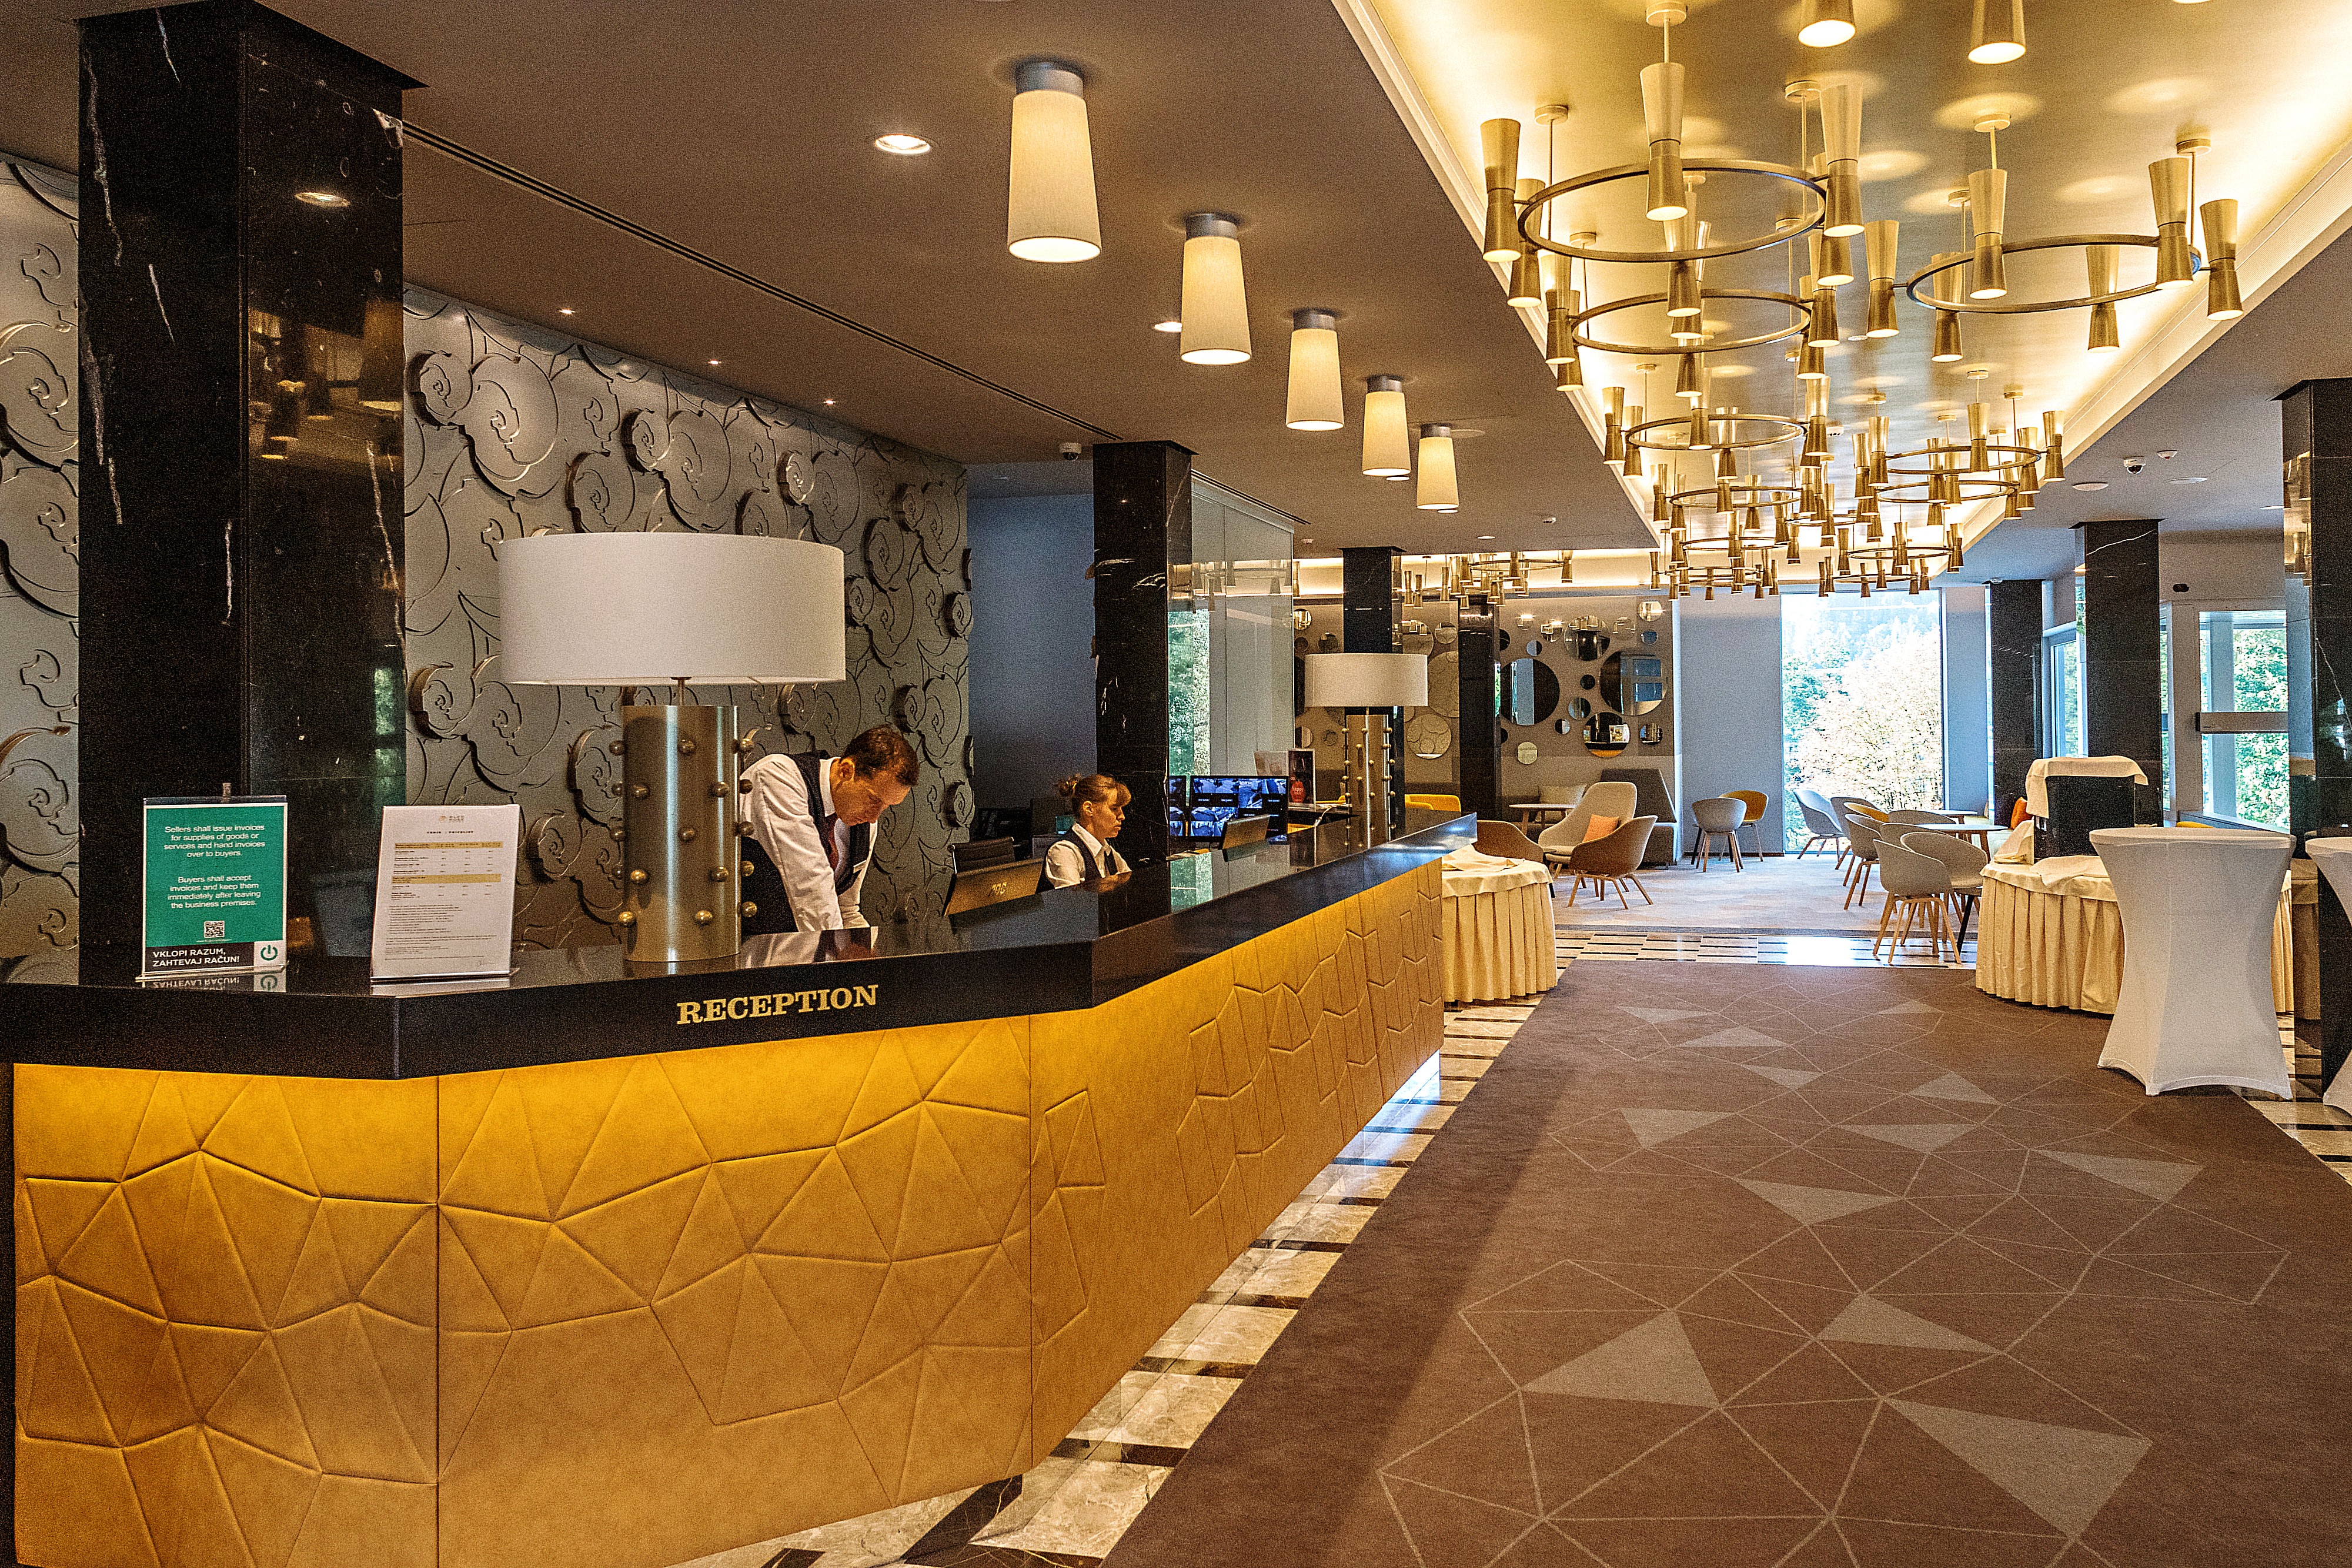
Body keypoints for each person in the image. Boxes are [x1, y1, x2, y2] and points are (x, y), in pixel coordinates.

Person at [740, 726, 918, 934]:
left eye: (886, 806)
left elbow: (847, 910)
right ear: (846, 770)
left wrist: (870, 950)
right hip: (746, 947)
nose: (874, 817)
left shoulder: (864, 823)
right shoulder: (778, 775)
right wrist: (835, 954)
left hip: (807, 950)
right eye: (873, 799)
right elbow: (811, 887)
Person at [1043, 773, 1132, 888]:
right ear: (1089, 809)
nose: (1122, 816)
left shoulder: (1108, 850)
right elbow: (1072, 898)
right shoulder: (1064, 851)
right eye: (1114, 808)